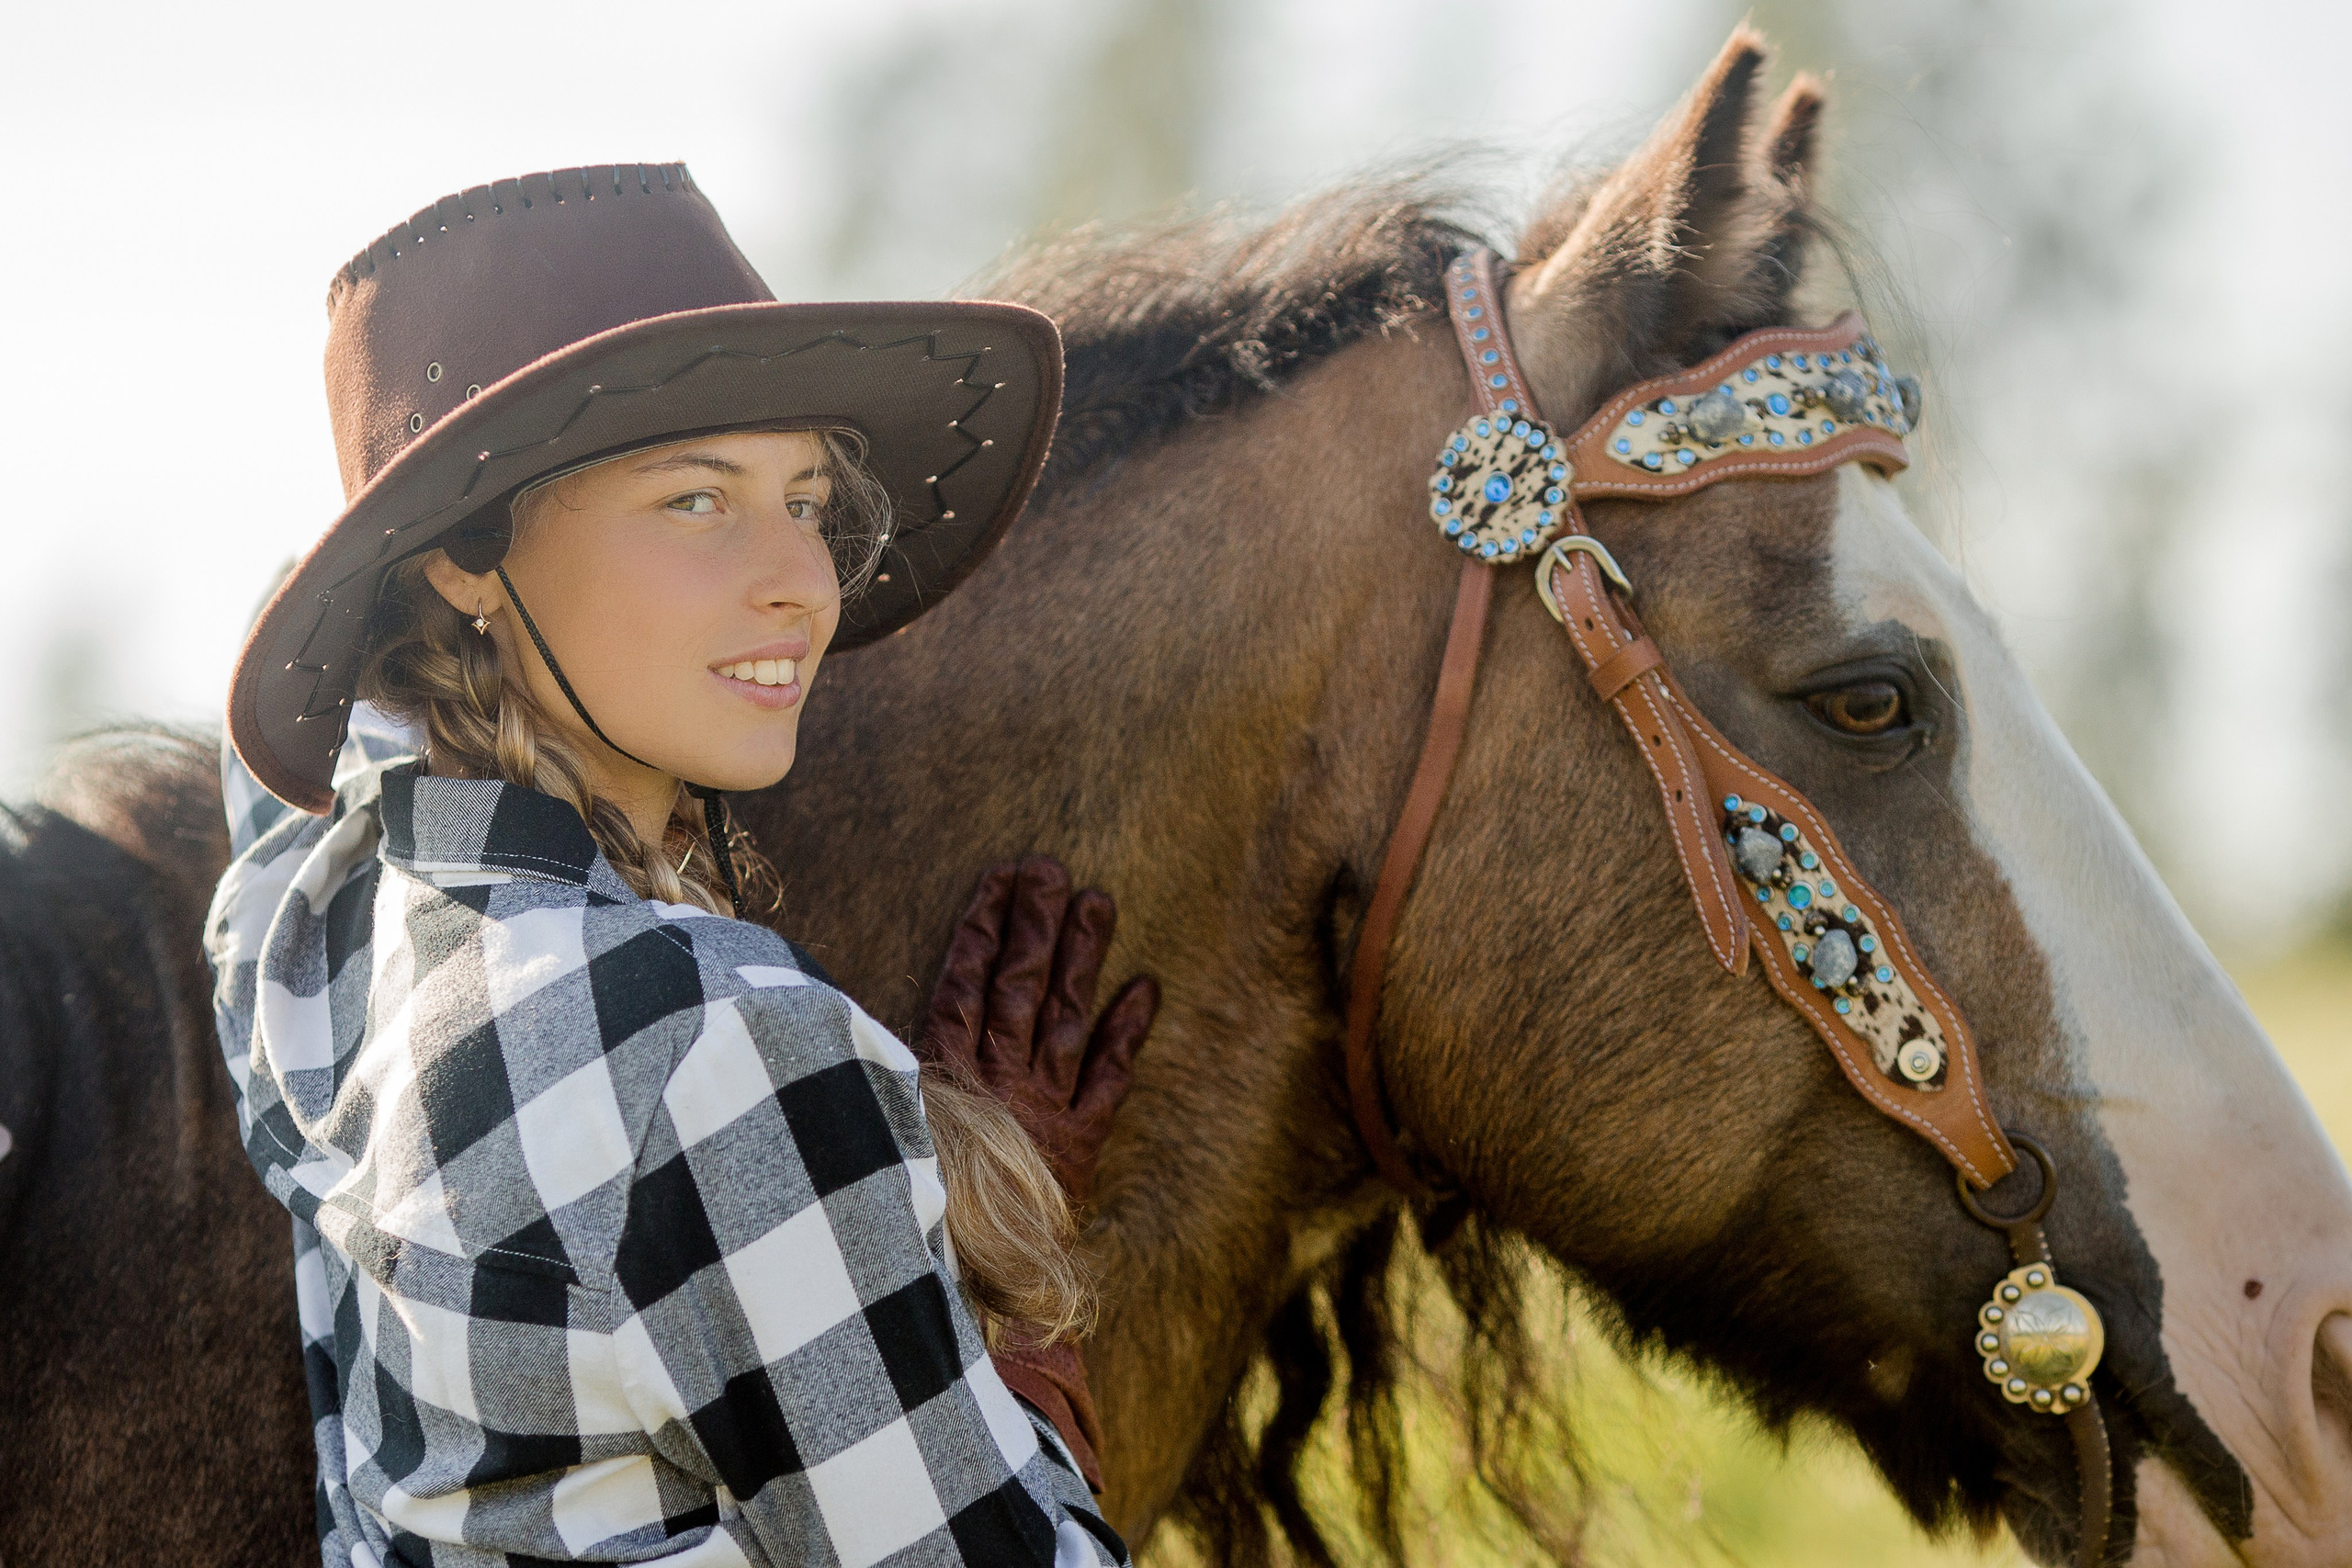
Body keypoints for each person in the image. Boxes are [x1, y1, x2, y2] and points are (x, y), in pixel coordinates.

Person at [206, 164, 1155, 1568]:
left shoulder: (325, 920)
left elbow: (292, 786)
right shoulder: (719, 1054)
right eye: (697, 501)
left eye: (808, 500)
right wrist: (1009, 1352)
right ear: (464, 555)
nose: (803, 581)